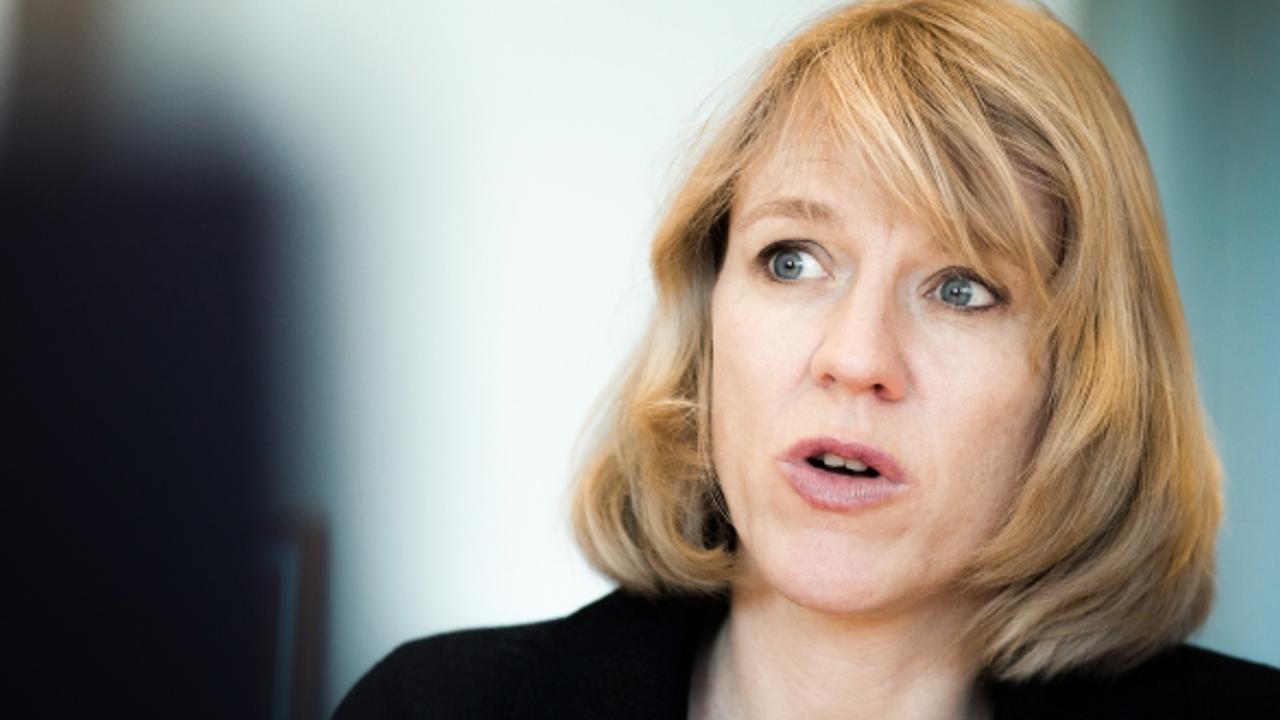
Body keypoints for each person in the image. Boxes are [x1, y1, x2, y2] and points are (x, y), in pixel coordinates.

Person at [334, 0, 1280, 717]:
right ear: (709, 312)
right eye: (793, 260)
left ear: (1084, 380)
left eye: (961, 289)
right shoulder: (437, 705)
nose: (855, 357)